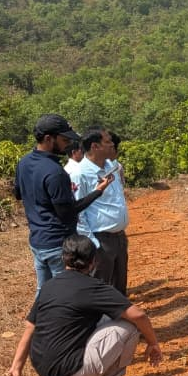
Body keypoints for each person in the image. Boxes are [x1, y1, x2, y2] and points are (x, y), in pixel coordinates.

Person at [7, 235, 162, 376]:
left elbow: (31, 326)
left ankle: (84, 374)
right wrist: (153, 343)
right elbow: (138, 315)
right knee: (129, 326)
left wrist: (17, 366)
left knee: (105, 317)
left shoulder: (49, 285)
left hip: (43, 371)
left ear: (63, 258)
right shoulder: (94, 288)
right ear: (93, 261)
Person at [13, 114, 111, 301]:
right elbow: (67, 213)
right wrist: (98, 191)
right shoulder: (55, 172)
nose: (68, 145)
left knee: (44, 290)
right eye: (64, 140)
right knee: (66, 294)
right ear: (49, 138)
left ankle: (38, 319)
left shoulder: (24, 162)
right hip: (58, 244)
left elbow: (18, 194)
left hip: (38, 241)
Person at [74, 126, 129, 294]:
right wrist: (93, 244)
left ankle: (119, 311)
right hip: (101, 240)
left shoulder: (112, 166)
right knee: (99, 290)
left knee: (119, 289)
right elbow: (78, 212)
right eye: (107, 141)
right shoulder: (80, 174)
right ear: (95, 146)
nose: (112, 144)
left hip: (119, 238)